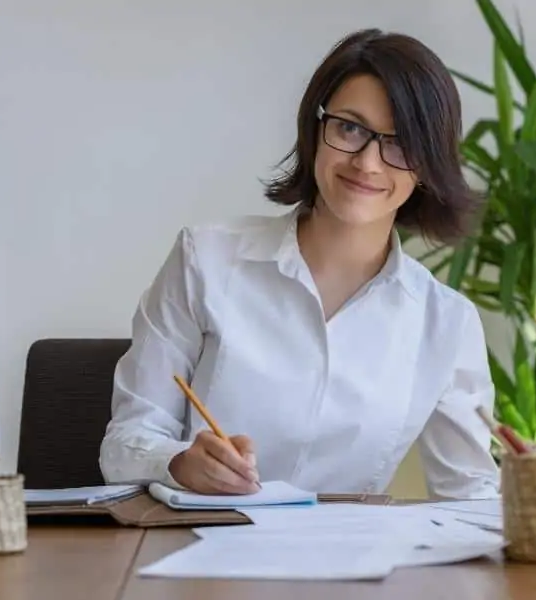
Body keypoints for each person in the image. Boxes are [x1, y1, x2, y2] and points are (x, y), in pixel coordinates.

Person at [99, 28, 500, 500]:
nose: (368, 163)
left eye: (401, 143)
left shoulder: (446, 322)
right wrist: (178, 463)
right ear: (316, 129)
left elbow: (471, 494)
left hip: (349, 564)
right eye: (350, 128)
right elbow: (123, 445)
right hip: (200, 550)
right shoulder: (204, 259)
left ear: (428, 166)